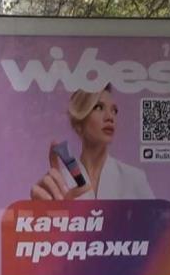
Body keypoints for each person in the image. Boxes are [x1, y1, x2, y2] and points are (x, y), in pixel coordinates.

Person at [26, 86, 155, 201]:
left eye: (114, 110)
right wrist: (43, 214)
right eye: (99, 107)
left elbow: (158, 220)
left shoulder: (134, 178)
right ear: (79, 124)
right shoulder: (60, 183)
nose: (110, 117)